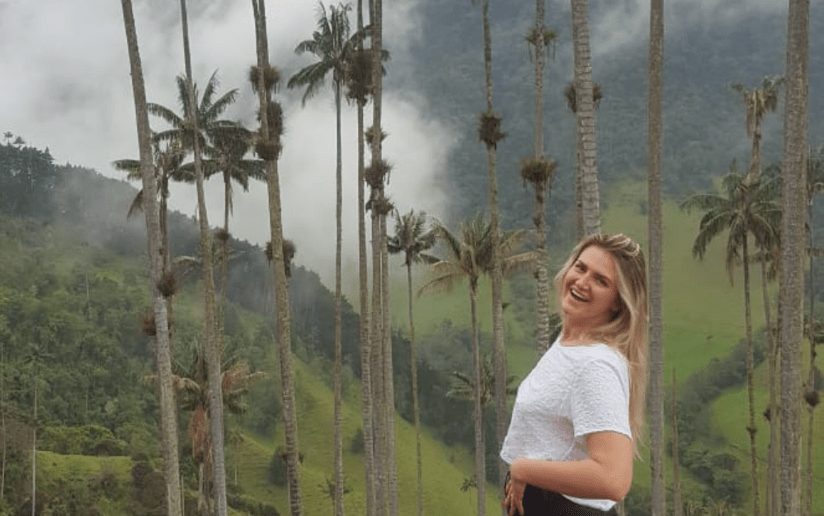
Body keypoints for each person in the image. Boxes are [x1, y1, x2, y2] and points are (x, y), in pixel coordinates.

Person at [500, 233, 648, 515]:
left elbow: (613, 479)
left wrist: (523, 469)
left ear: (617, 302)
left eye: (601, 281)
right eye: (580, 268)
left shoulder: (595, 365)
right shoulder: (572, 340)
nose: (582, 282)